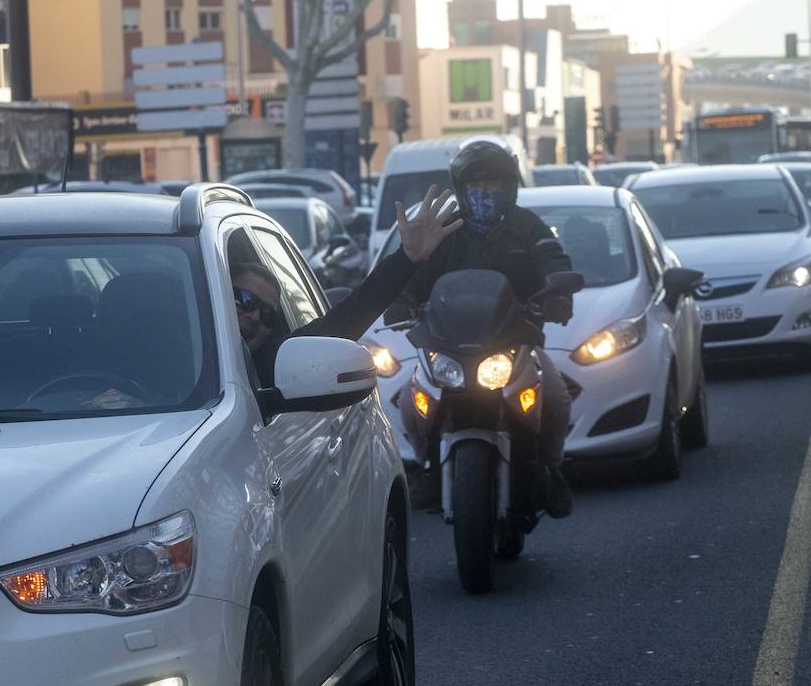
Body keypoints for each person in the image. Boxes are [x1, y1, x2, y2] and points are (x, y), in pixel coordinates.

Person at [385, 137, 577, 519]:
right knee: (409, 400)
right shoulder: (445, 230)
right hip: (449, 343)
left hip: (515, 339)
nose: (485, 195)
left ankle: (550, 472)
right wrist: (401, 300)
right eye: (477, 187)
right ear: (462, 190)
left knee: (556, 397)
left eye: (493, 187)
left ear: (510, 188)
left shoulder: (528, 225)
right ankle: (427, 467)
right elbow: (416, 271)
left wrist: (558, 292)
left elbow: (553, 259)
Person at [233, 185, 460, 389]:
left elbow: (348, 317)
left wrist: (407, 258)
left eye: (267, 315)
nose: (254, 316)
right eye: (245, 299)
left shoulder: (274, 365)